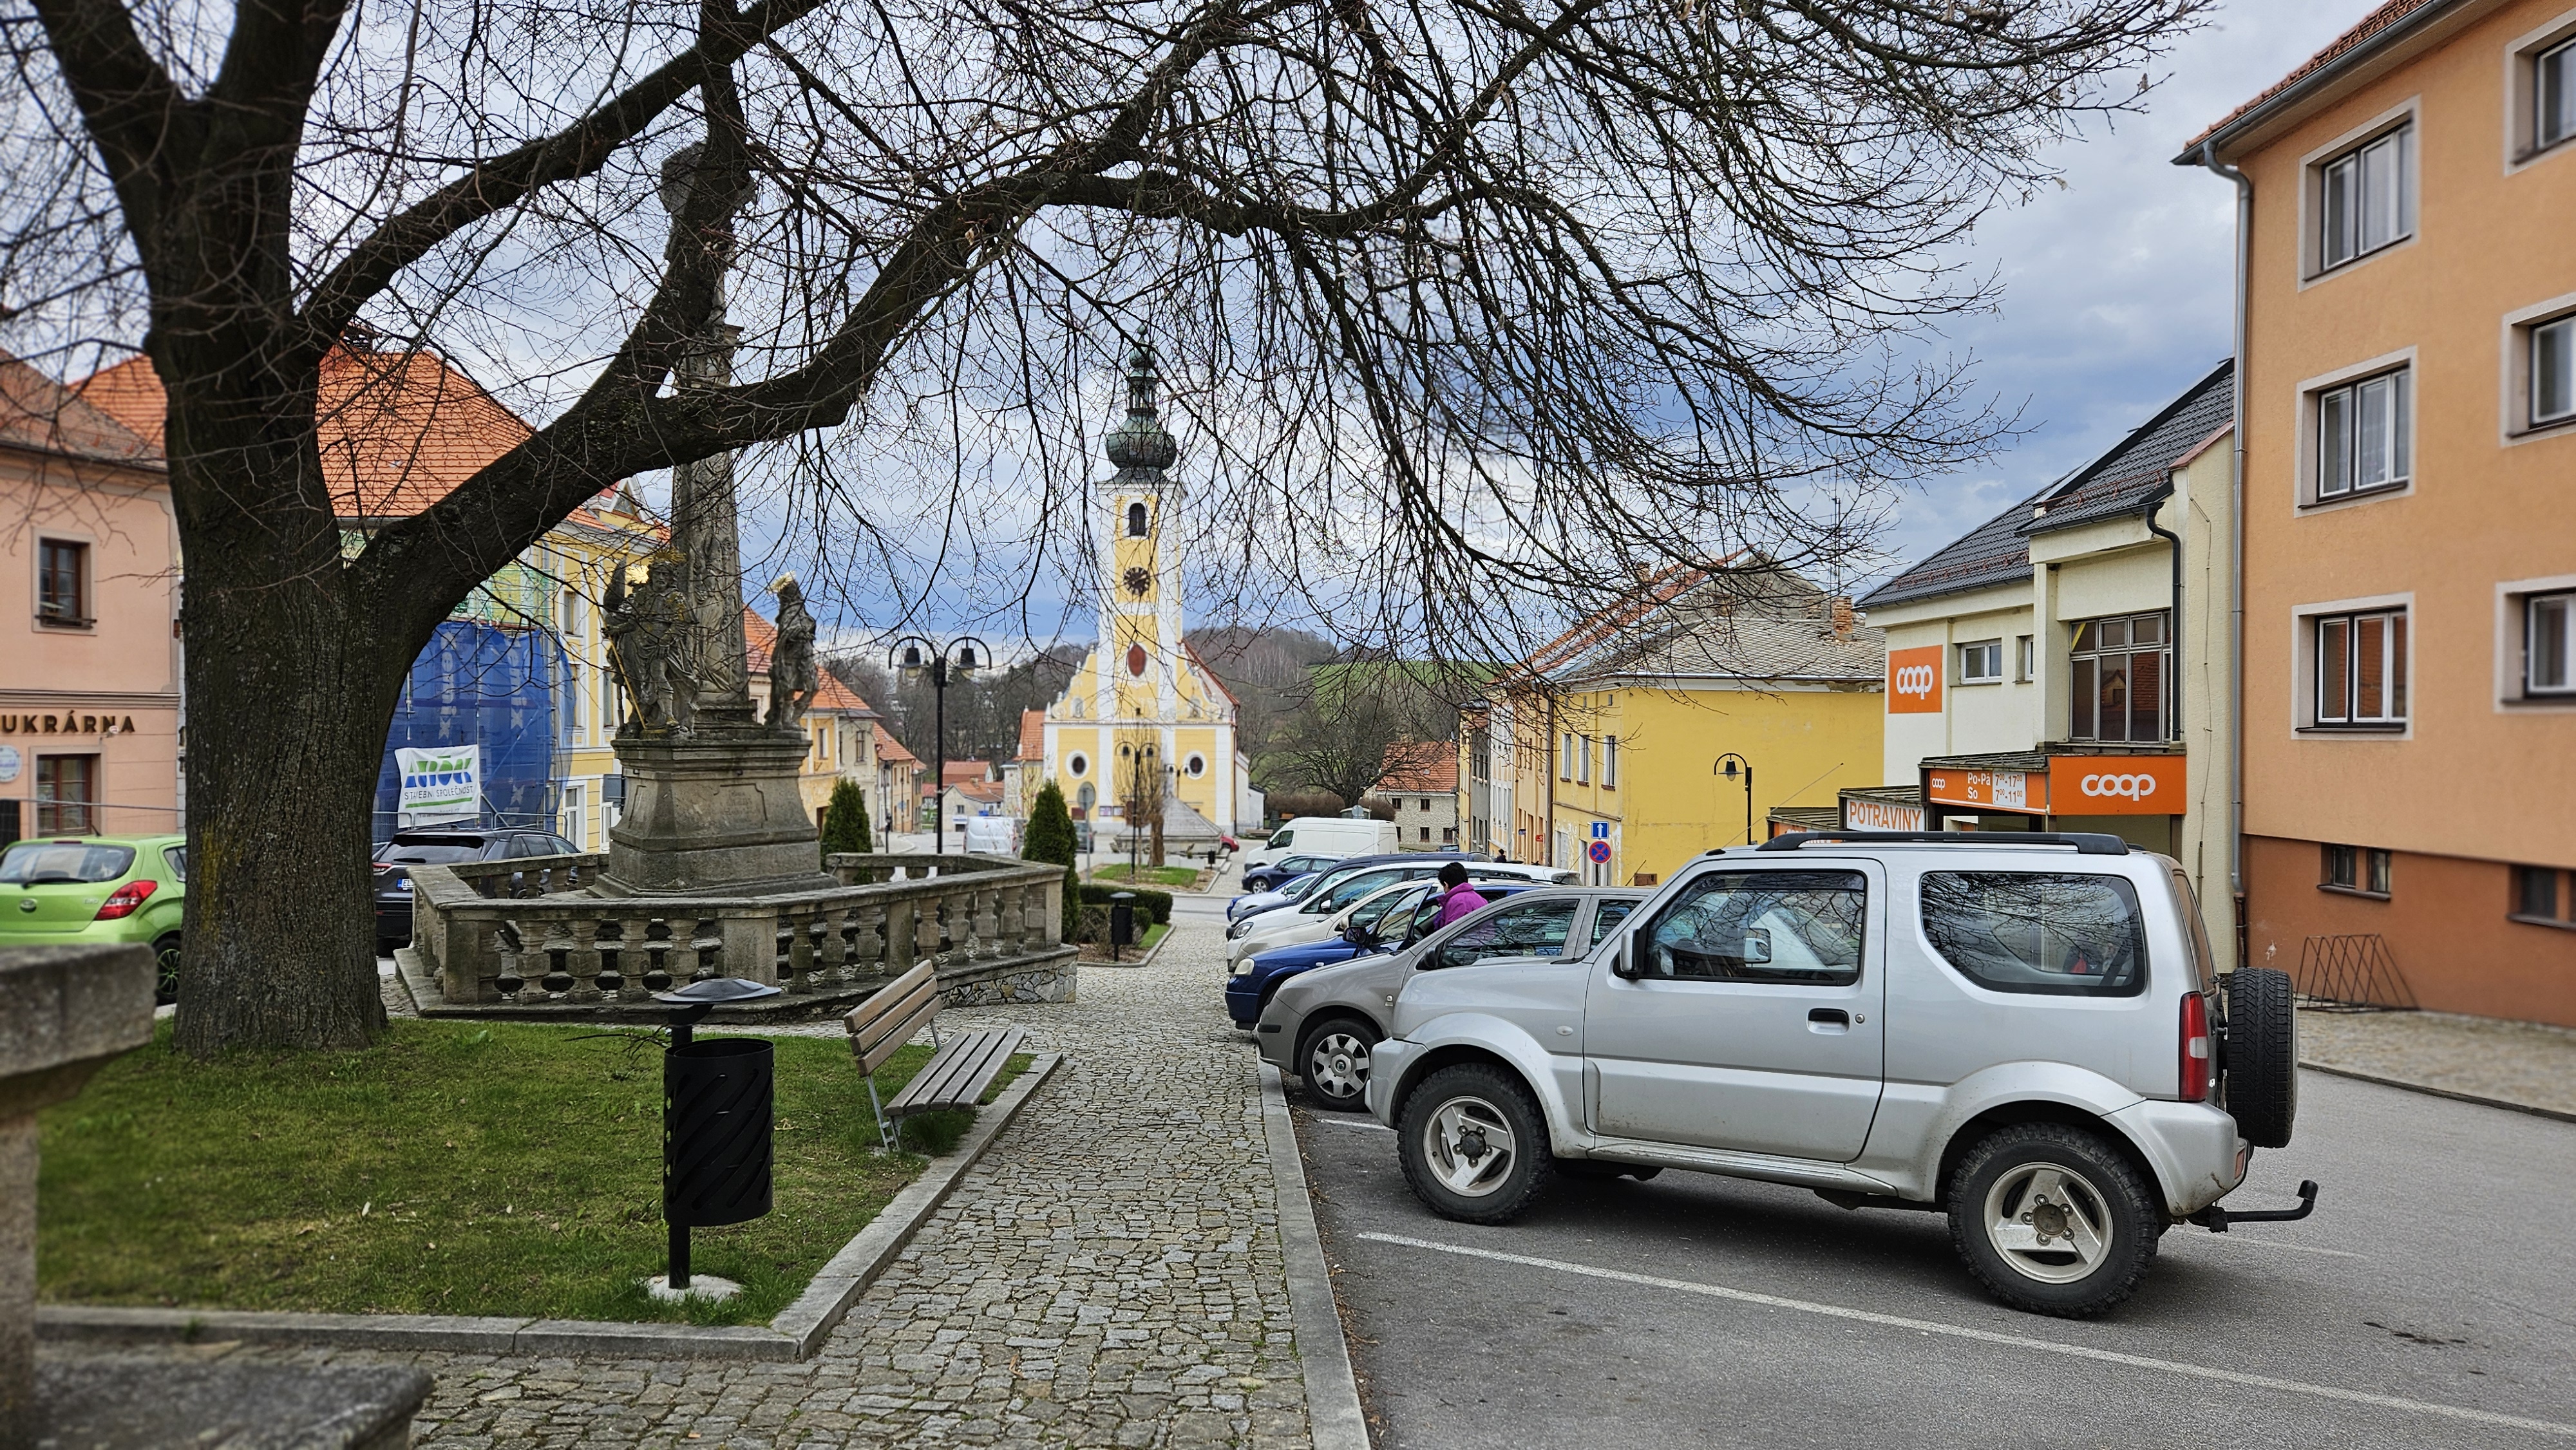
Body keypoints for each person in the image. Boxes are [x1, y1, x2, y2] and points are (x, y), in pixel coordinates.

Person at [1433, 861, 1488, 927]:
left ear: (1446, 884)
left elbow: (1451, 931)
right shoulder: (1480, 898)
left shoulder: (1457, 902)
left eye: (1443, 886)